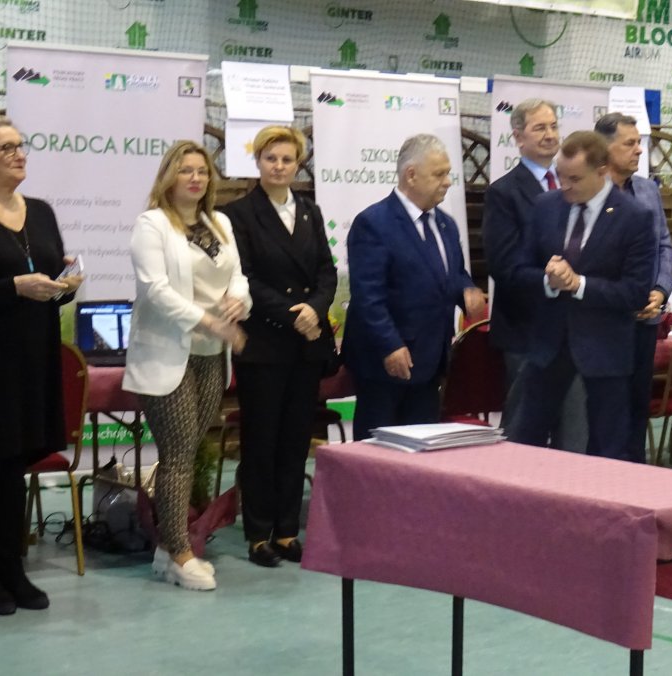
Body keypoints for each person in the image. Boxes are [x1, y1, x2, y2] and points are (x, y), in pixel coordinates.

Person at [0, 116, 83, 615]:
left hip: (32, 359)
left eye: (21, 145)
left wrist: (63, 288)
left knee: (15, 468)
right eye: (6, 147)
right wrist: (12, 287)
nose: (20, 154)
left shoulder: (40, 211)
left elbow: (47, 279)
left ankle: (12, 568)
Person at [124, 141, 251, 591]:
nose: (195, 178)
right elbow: (155, 290)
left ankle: (166, 551)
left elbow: (238, 276)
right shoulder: (152, 225)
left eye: (202, 171)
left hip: (212, 355)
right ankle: (179, 552)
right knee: (177, 454)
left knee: (188, 452)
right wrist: (208, 321)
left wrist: (238, 301)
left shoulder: (220, 222)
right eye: (185, 170)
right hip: (166, 354)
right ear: (168, 177)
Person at [219, 126, 336, 568]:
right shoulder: (237, 214)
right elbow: (244, 278)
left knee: (295, 440)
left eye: (287, 159)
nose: (279, 166)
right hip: (265, 345)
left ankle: (287, 531)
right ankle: (258, 533)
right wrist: (293, 313)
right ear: (258, 162)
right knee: (261, 440)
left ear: (298, 164)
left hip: (307, 345)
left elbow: (326, 271)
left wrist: (316, 310)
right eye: (271, 158)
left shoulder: (309, 210)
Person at [507, 131, 656, 460]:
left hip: (605, 349)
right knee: (523, 439)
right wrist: (549, 280)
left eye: (574, 179)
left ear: (602, 171)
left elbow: (635, 293)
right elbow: (517, 270)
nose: (565, 185)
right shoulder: (546, 207)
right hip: (548, 345)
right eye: (560, 175)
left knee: (607, 448)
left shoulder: (634, 218)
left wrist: (579, 285)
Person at [343, 134, 485, 435]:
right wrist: (391, 345)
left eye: (448, 173)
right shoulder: (373, 223)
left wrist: (466, 290)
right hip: (386, 363)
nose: (447, 182)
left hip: (431, 361)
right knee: (378, 452)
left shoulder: (446, 224)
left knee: (421, 449)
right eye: (439, 174)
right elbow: (368, 296)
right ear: (411, 175)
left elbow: (453, 273)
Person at [483, 99, 585, 451]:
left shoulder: (577, 187)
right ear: (517, 137)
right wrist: (550, 281)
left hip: (574, 333)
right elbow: (503, 265)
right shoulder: (504, 193)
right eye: (539, 128)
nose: (550, 135)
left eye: (554, 126)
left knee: (574, 440)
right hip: (526, 333)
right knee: (523, 438)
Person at [594, 112, 672, 462]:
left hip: (645, 320)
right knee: (605, 412)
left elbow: (664, 244)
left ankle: (636, 475)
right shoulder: (589, 192)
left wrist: (660, 289)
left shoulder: (647, 190)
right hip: (604, 325)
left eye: (639, 142)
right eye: (629, 143)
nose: (639, 150)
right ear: (605, 148)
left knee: (637, 406)